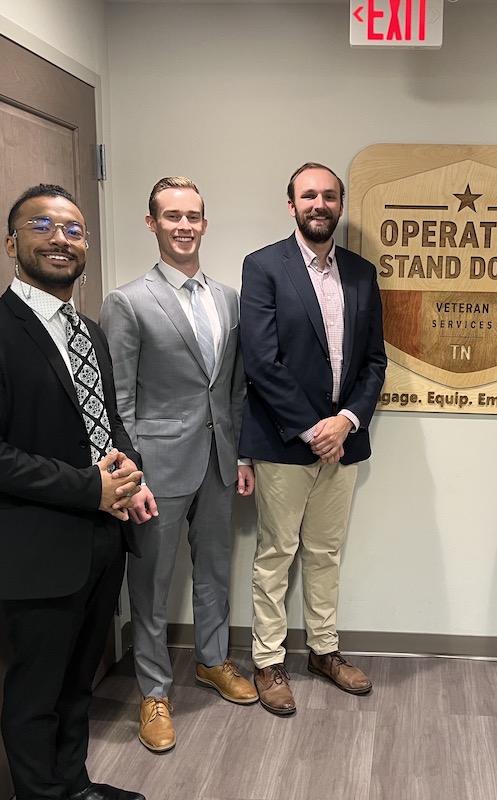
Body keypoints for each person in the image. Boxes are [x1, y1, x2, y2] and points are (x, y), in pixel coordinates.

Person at [99, 177, 257, 754]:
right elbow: (119, 400)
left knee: (215, 568)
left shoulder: (229, 299)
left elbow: (234, 388)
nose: (184, 225)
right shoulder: (128, 301)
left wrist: (240, 454)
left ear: (204, 223)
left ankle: (213, 661)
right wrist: (130, 475)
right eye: (171, 216)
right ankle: (154, 691)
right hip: (155, 469)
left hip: (219, 462)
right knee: (152, 581)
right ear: (152, 224)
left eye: (193, 216)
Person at [0, 184, 145, 800]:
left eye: (74, 230)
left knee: (79, 680)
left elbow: (104, 420)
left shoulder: (89, 331)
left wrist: (130, 473)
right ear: (12, 242)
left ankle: (73, 785)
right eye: (43, 226)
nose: (62, 239)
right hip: (37, 545)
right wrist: (91, 487)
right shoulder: (3, 330)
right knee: (36, 692)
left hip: (102, 539)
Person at [239, 162, 386, 715]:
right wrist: (311, 427)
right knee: (276, 553)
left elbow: (374, 362)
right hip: (285, 441)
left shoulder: (361, 273)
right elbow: (261, 360)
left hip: (342, 442)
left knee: (325, 553)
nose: (319, 204)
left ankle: (324, 652)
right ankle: (268, 661)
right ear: (292, 204)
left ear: (340, 205)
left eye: (329, 196)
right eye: (309, 196)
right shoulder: (264, 267)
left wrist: (345, 421)